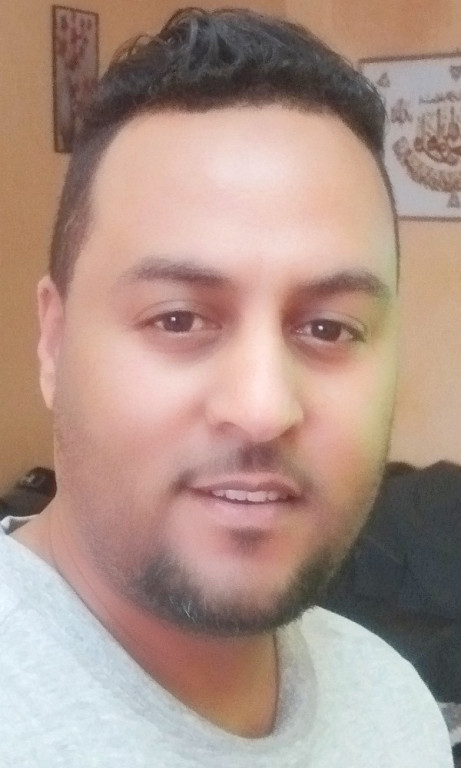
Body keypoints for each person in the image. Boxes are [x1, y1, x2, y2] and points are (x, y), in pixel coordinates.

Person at [0, 7, 452, 766]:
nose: (261, 408)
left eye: (328, 328)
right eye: (178, 319)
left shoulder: (395, 708)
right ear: (53, 339)